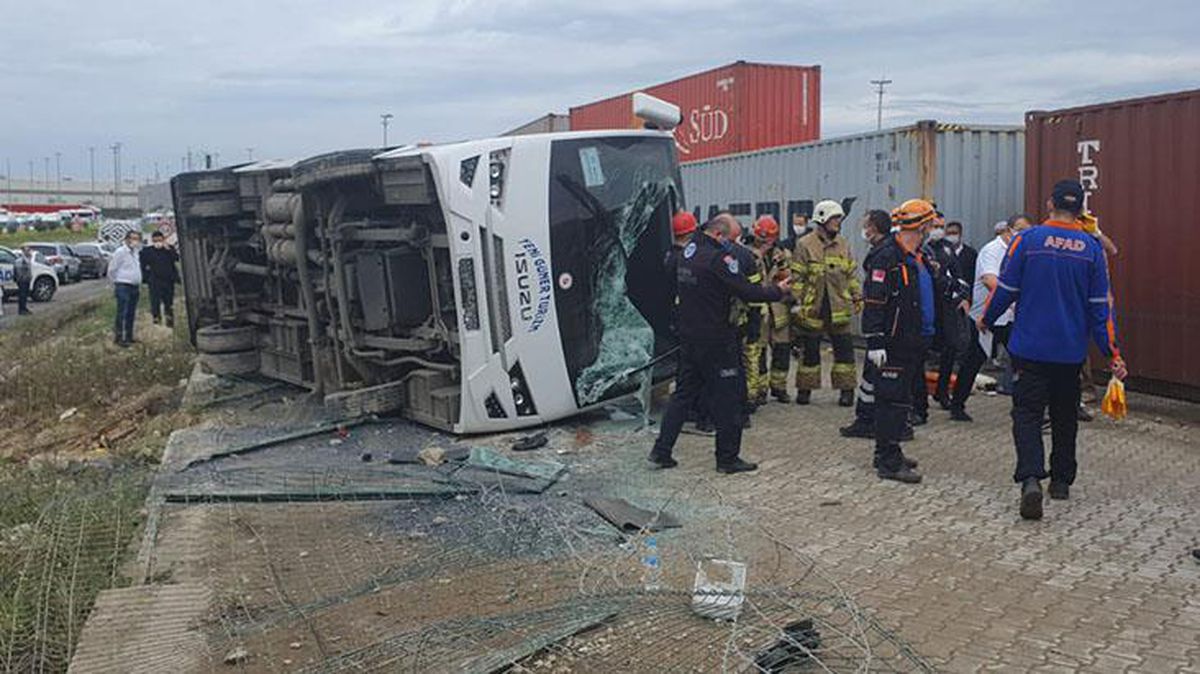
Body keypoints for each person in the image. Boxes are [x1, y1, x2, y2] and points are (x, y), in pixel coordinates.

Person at [980, 179, 1126, 521]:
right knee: (1064, 416)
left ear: (1050, 204)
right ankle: (1060, 481)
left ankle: (1031, 478)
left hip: (1029, 349)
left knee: (1027, 415)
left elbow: (1006, 289)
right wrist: (1112, 353)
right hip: (1069, 352)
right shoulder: (1091, 249)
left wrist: (986, 317)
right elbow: (1100, 308)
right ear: (1081, 210)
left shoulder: (1027, 240)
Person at [649, 213, 788, 474]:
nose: (733, 245)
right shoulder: (719, 259)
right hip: (717, 340)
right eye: (731, 239)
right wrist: (779, 290)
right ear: (719, 234)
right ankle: (727, 458)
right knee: (729, 398)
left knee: (682, 395)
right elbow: (748, 291)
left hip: (689, 337)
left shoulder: (688, 251)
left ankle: (661, 450)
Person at [861, 199, 944, 484]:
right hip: (894, 341)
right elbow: (874, 300)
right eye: (930, 224)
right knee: (891, 401)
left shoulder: (918, 256)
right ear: (922, 225)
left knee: (901, 399)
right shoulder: (887, 256)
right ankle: (889, 461)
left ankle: (886, 450)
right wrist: (875, 340)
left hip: (914, 339)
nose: (932, 229)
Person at [840, 210, 914, 443]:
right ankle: (866, 420)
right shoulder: (890, 250)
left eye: (866, 225)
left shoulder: (884, 255)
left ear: (873, 228)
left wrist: (875, 337)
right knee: (872, 379)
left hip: (885, 331)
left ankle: (890, 426)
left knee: (885, 381)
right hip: (892, 329)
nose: (864, 230)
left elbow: (876, 299)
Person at [789, 200, 860, 406]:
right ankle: (805, 390)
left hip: (839, 307)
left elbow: (851, 275)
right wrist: (796, 304)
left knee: (845, 353)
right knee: (810, 353)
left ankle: (847, 391)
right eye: (834, 218)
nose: (838, 222)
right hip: (813, 308)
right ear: (822, 219)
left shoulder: (843, 244)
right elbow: (797, 279)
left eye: (839, 219)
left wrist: (857, 296)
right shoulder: (805, 245)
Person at [933, 221, 978, 407]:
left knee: (951, 348)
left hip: (951, 306)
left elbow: (964, 278)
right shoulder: (928, 250)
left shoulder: (953, 250)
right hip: (934, 305)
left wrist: (964, 296)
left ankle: (942, 392)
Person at [744, 216, 781, 409]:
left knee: (769, 349)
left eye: (769, 238)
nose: (766, 242)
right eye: (763, 238)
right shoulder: (748, 254)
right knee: (756, 351)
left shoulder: (779, 254)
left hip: (774, 308)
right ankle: (755, 392)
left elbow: (786, 274)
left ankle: (763, 389)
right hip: (756, 308)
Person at [108, 230, 144, 347]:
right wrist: (116, 282)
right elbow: (112, 270)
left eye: (137, 239)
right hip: (123, 285)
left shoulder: (136, 252)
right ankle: (119, 338)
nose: (135, 241)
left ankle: (129, 336)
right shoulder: (120, 252)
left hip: (134, 286)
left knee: (131, 313)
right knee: (122, 312)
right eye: (132, 238)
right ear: (127, 239)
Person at [141, 230, 180, 327]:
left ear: (163, 240)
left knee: (169, 303)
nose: (158, 243)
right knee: (155, 303)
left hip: (168, 281)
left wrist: (168, 249)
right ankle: (157, 322)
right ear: (152, 241)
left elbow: (176, 258)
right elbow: (142, 265)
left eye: (159, 240)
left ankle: (170, 323)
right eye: (155, 241)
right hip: (154, 281)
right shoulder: (147, 251)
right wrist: (146, 279)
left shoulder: (168, 249)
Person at [13, 245, 34, 315]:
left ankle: (24, 308)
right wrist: (21, 278)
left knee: (25, 295)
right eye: (27, 251)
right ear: (24, 252)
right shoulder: (21, 260)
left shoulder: (27, 259)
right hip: (23, 280)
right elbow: (19, 271)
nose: (29, 252)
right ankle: (21, 310)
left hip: (26, 279)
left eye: (29, 250)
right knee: (22, 295)